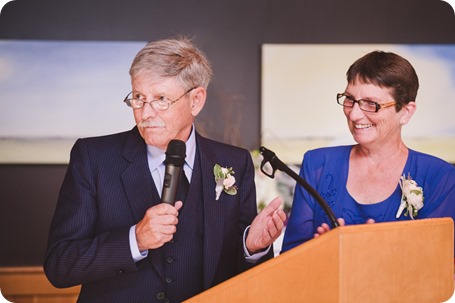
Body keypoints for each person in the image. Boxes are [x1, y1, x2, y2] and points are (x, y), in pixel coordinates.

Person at [44, 37, 286, 303]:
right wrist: (134, 240)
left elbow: (238, 275)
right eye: (138, 98)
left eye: (161, 99)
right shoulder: (94, 158)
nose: (145, 113)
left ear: (196, 100)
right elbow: (60, 265)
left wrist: (251, 247)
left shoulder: (234, 163)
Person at [281, 50, 455, 253]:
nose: (354, 115)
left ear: (406, 112)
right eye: (349, 99)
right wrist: (324, 251)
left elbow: (437, 266)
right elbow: (291, 255)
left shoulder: (440, 177)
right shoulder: (317, 163)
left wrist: (373, 252)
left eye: (371, 104)